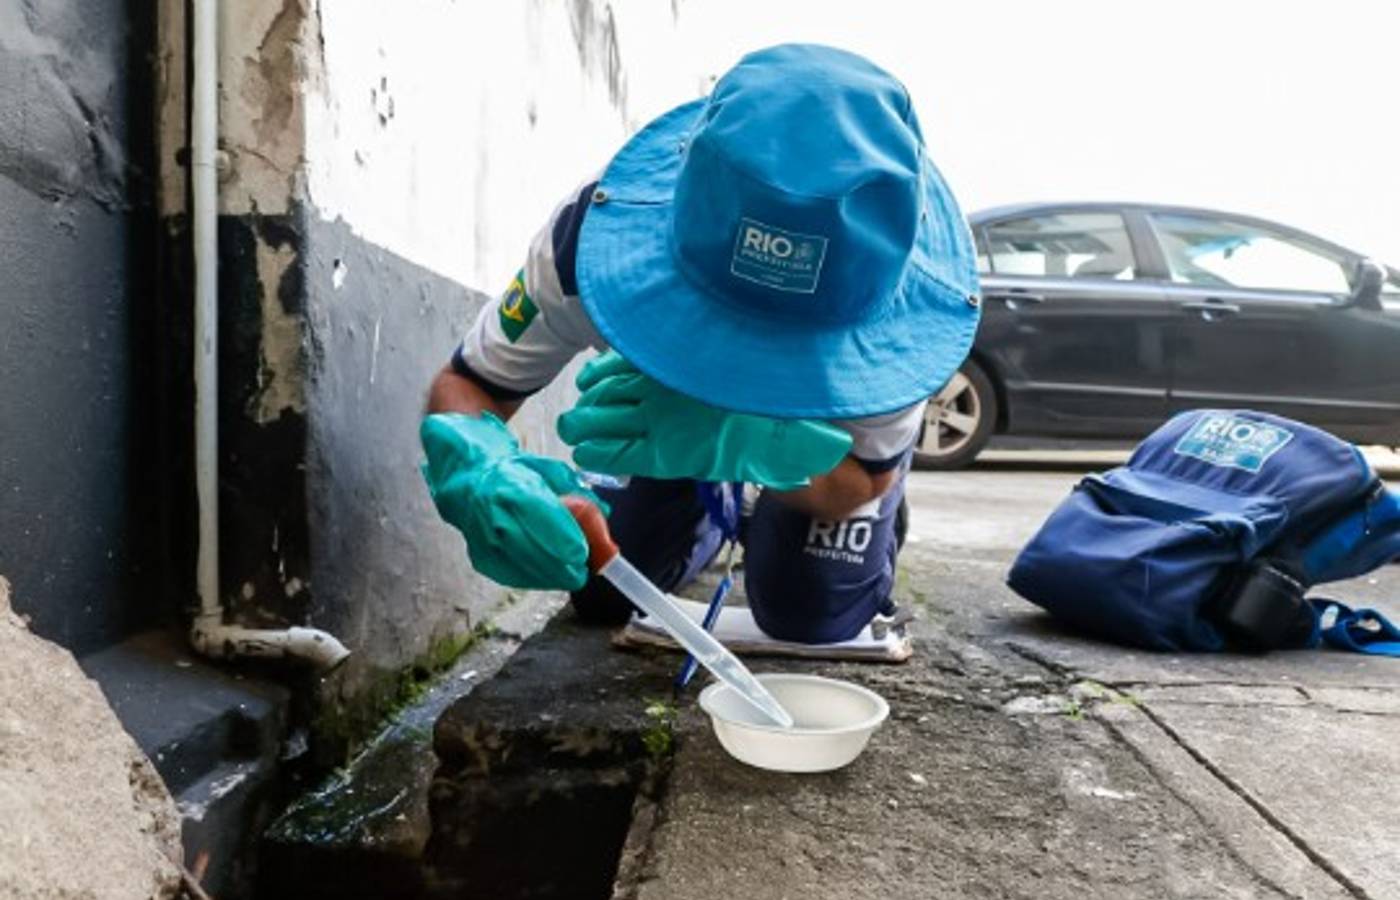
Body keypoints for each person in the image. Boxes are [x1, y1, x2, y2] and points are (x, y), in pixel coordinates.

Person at [420, 43, 979, 644]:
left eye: (780, 336)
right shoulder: (583, 243)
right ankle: (709, 508)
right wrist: (480, 468)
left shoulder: (906, 314)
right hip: (670, 418)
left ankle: (788, 512)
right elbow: (471, 383)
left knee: (808, 611)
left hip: (818, 453)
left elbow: (866, 478)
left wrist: (745, 442)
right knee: (601, 583)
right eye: (723, 321)